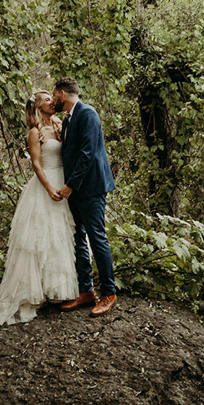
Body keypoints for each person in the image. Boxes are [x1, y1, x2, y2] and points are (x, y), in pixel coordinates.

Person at [0, 93, 79, 325]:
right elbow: (36, 165)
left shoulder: (60, 125)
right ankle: (34, 291)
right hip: (45, 184)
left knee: (59, 236)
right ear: (38, 106)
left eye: (51, 97)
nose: (51, 101)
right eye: (46, 99)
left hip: (64, 182)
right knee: (40, 238)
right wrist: (49, 189)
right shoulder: (35, 132)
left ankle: (56, 290)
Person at [53, 78, 117, 316]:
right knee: (79, 237)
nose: (54, 99)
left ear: (62, 94)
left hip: (90, 188)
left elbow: (88, 154)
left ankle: (109, 293)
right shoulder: (69, 118)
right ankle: (86, 291)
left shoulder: (88, 114)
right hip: (76, 189)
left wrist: (70, 185)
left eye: (54, 95)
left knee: (97, 237)